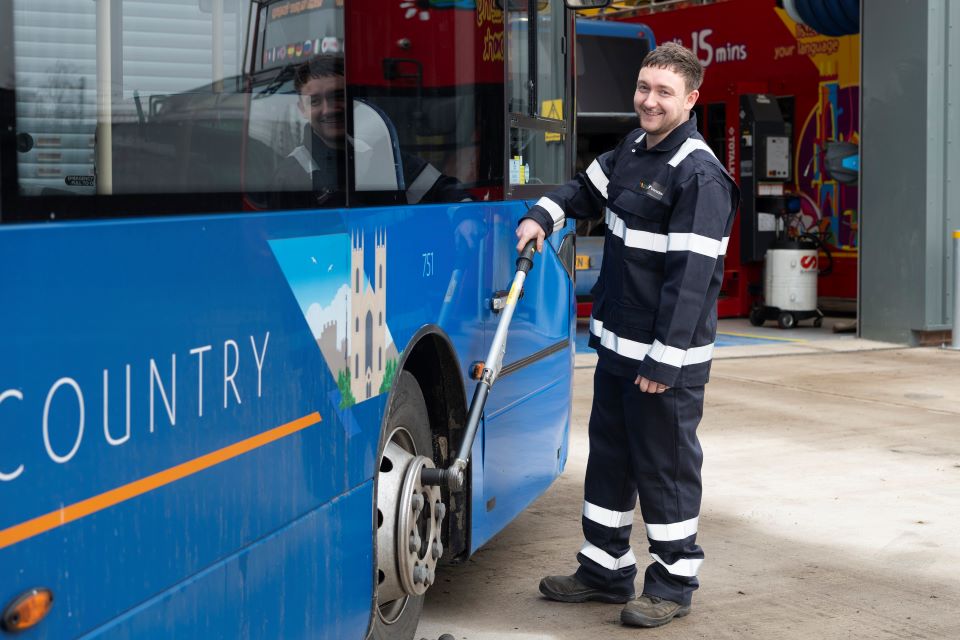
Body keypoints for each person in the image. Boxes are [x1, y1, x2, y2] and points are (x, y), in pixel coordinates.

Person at [515, 43, 739, 629]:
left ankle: (673, 583)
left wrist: (664, 362)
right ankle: (604, 569)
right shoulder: (632, 149)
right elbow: (582, 192)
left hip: (664, 362)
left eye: (665, 92)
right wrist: (541, 214)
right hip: (616, 347)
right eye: (644, 87)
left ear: (691, 99)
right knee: (610, 461)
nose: (650, 100)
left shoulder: (699, 175)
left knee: (664, 469)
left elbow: (691, 283)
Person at [273, 55, 467, 207]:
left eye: (337, 96)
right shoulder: (289, 175)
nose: (329, 109)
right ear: (302, 109)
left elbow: (442, 189)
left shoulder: (378, 153)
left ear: (352, 99)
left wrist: (464, 216)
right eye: (315, 101)